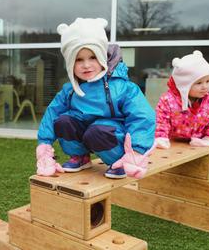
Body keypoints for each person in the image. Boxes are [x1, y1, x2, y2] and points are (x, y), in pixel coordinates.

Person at [35, 18, 155, 179]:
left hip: (110, 134)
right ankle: (80, 157)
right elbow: (52, 113)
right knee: (64, 121)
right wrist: (44, 144)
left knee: (97, 131)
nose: (86, 65)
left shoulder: (122, 86)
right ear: (70, 63)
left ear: (102, 56)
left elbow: (143, 116)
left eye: (93, 57)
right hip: (85, 132)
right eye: (78, 59)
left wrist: (137, 150)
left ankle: (118, 162)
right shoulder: (70, 90)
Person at [155, 51, 209, 160]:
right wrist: (161, 137)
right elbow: (161, 120)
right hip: (174, 143)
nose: (205, 86)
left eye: (208, 81)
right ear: (183, 84)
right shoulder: (168, 100)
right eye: (199, 83)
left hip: (202, 142)